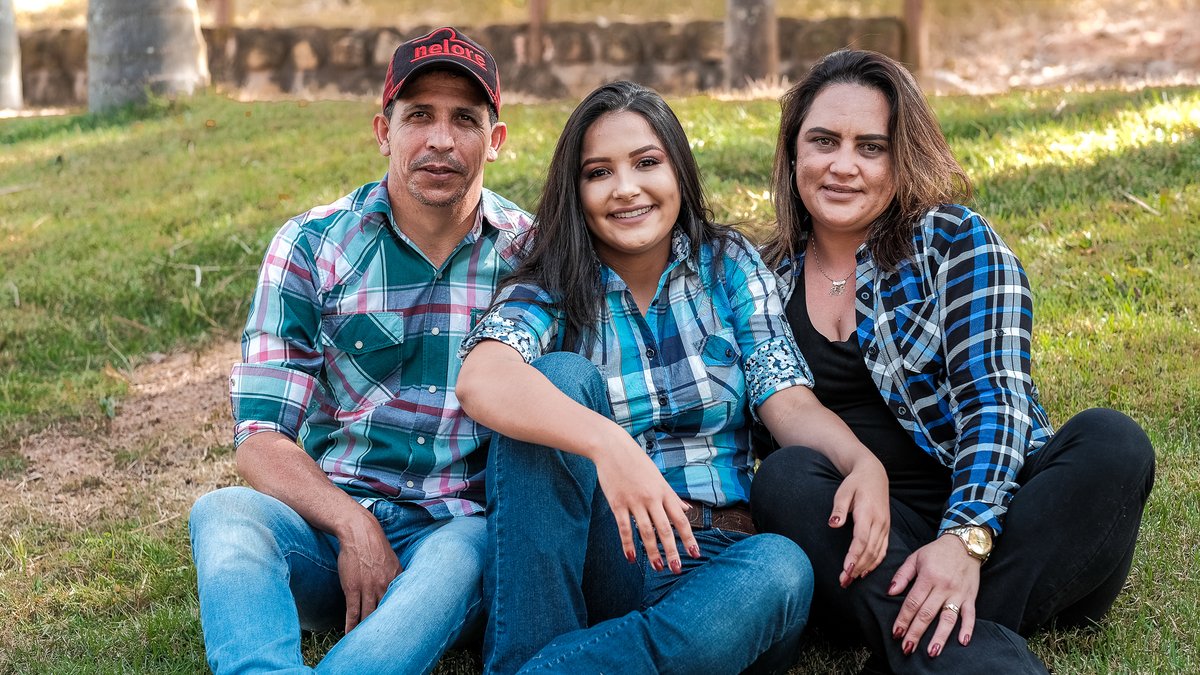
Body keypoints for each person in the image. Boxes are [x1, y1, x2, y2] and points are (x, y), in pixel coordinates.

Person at [454, 80, 891, 675]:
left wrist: (862, 463)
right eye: (599, 172)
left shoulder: (729, 264)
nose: (625, 188)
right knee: (557, 377)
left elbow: (787, 401)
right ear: (576, 191)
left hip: (721, 566)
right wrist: (608, 445)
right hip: (609, 556)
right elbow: (482, 378)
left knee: (782, 568)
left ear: (678, 171)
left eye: (646, 163)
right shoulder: (554, 278)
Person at [751, 49, 1156, 675]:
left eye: (871, 147)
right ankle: (966, 654)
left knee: (1113, 442)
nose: (842, 165)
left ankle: (916, 648)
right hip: (869, 543)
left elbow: (997, 400)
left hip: (1014, 527)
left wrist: (965, 540)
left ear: (902, 156)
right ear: (793, 152)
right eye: (823, 141)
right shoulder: (762, 279)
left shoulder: (953, 241)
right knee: (784, 478)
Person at [187, 27, 533, 675]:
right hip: (331, 533)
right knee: (224, 511)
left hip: (459, 534)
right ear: (383, 132)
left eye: (464, 119)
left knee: (468, 548)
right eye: (418, 116)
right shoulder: (311, 246)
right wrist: (352, 525)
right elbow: (260, 437)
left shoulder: (533, 258)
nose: (440, 139)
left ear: (496, 140)